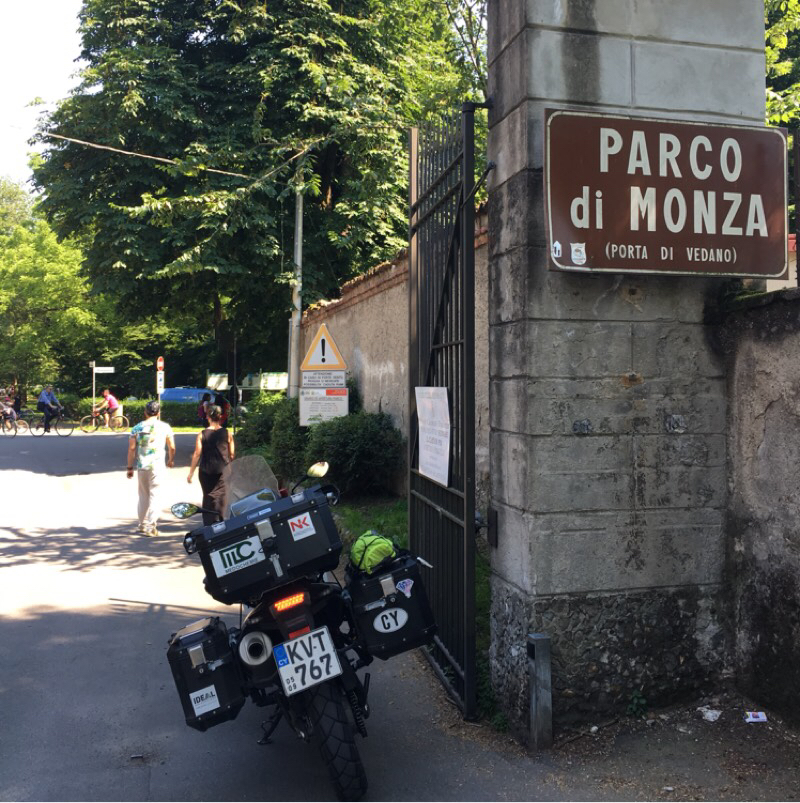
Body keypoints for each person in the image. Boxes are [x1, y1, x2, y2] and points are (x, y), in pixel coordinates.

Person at [127, 400, 176, 536]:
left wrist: (130, 467)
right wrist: (171, 460)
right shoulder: (165, 427)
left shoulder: (137, 428)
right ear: (158, 413)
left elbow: (132, 449)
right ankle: (151, 526)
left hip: (142, 466)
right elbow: (172, 446)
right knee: (155, 494)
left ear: (145, 412)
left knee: (143, 495)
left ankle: (141, 524)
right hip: (157, 466)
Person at [187, 404, 235, 525]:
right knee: (222, 497)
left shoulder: (202, 434)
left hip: (206, 471)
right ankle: (221, 521)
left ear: (208, 417)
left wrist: (191, 473)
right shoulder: (227, 433)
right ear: (221, 417)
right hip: (223, 471)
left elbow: (197, 454)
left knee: (208, 496)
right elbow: (232, 454)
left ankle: (208, 523)